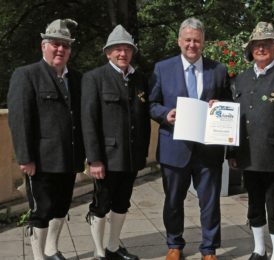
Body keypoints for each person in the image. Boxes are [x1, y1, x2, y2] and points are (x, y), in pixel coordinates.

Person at [149, 17, 232, 260]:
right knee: (173, 201)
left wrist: (221, 105)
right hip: (174, 148)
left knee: (209, 203)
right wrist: (166, 114)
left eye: (197, 40)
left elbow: (230, 103)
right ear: (179, 41)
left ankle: (209, 249)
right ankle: (174, 245)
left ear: (203, 42)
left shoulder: (218, 70)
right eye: (188, 40)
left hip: (208, 150)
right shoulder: (162, 69)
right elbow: (152, 104)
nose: (192, 44)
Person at [227, 22, 274, 260]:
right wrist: (231, 152)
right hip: (248, 155)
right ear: (250, 50)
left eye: (266, 44)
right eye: (256, 45)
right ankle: (259, 249)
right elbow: (233, 120)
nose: (261, 49)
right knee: (254, 206)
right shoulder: (240, 79)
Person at [7, 19, 84, 260]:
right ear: (43, 46)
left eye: (65, 45)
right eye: (55, 44)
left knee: (61, 208)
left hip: (69, 158)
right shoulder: (26, 75)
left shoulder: (77, 79)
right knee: (41, 211)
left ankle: (52, 249)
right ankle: (39, 256)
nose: (60, 49)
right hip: (40, 161)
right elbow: (19, 120)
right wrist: (25, 158)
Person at [81, 25, 150, 260]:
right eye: (118, 50)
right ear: (108, 53)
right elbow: (88, 121)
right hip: (107, 158)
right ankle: (99, 251)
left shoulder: (140, 79)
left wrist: (142, 154)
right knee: (101, 205)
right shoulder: (94, 78)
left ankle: (112, 247)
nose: (123, 54)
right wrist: (94, 159)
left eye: (127, 49)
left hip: (131, 157)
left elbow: (142, 118)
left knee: (122, 203)